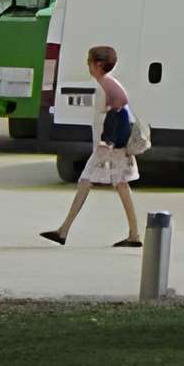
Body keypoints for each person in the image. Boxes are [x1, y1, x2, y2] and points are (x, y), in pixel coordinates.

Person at [42, 45, 143, 247]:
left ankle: (64, 231)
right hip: (109, 146)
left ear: (98, 64)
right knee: (119, 185)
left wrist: (109, 140)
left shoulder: (106, 83)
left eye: (89, 61)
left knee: (87, 181)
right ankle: (133, 234)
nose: (87, 65)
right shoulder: (106, 83)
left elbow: (120, 109)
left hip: (108, 147)